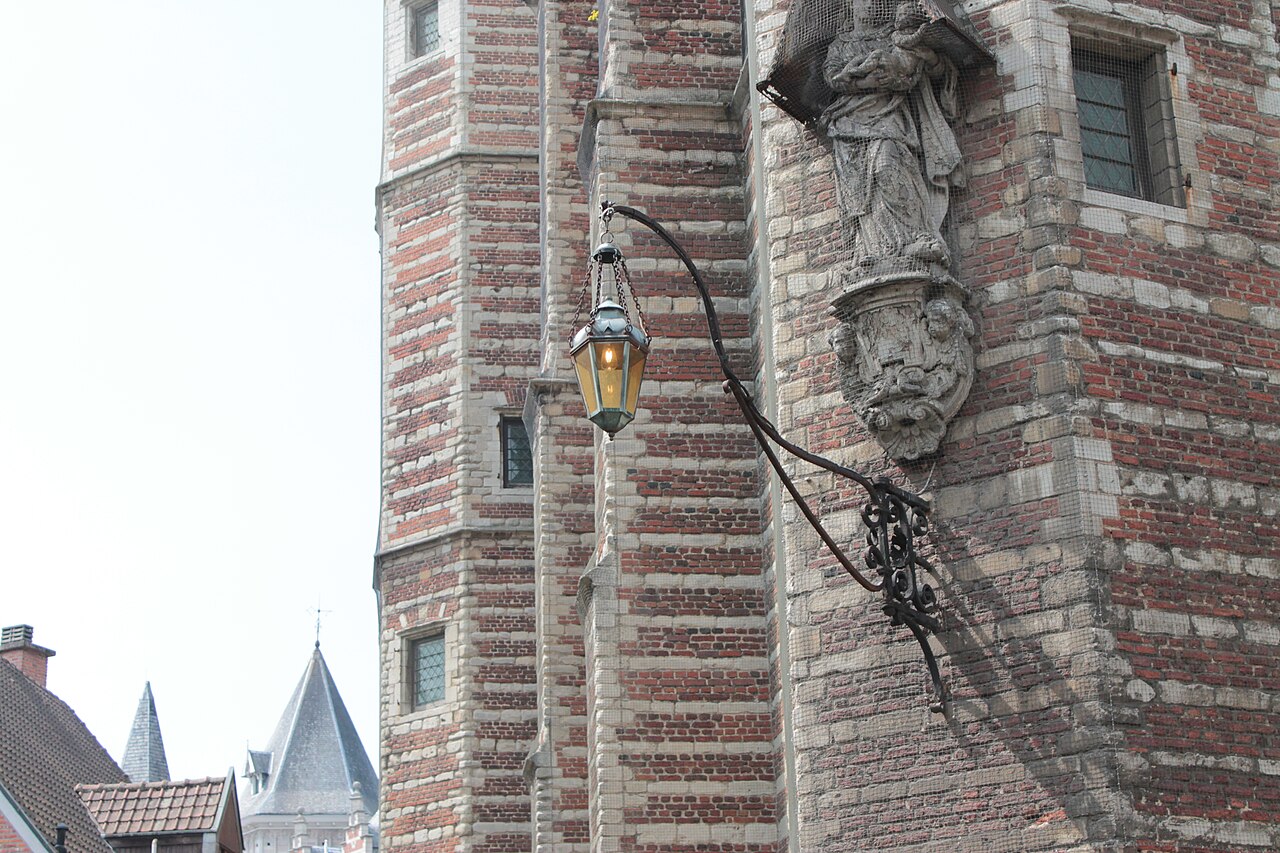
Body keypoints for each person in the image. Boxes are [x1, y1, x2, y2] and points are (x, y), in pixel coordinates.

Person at [819, 1, 964, 276]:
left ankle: (914, 236)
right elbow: (832, 77)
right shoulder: (841, 43)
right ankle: (870, 249)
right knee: (858, 192)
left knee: (887, 165)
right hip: (848, 122)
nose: (869, 7)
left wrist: (922, 60)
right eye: (862, 3)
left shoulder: (893, 36)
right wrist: (866, 77)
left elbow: (926, 69)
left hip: (889, 116)